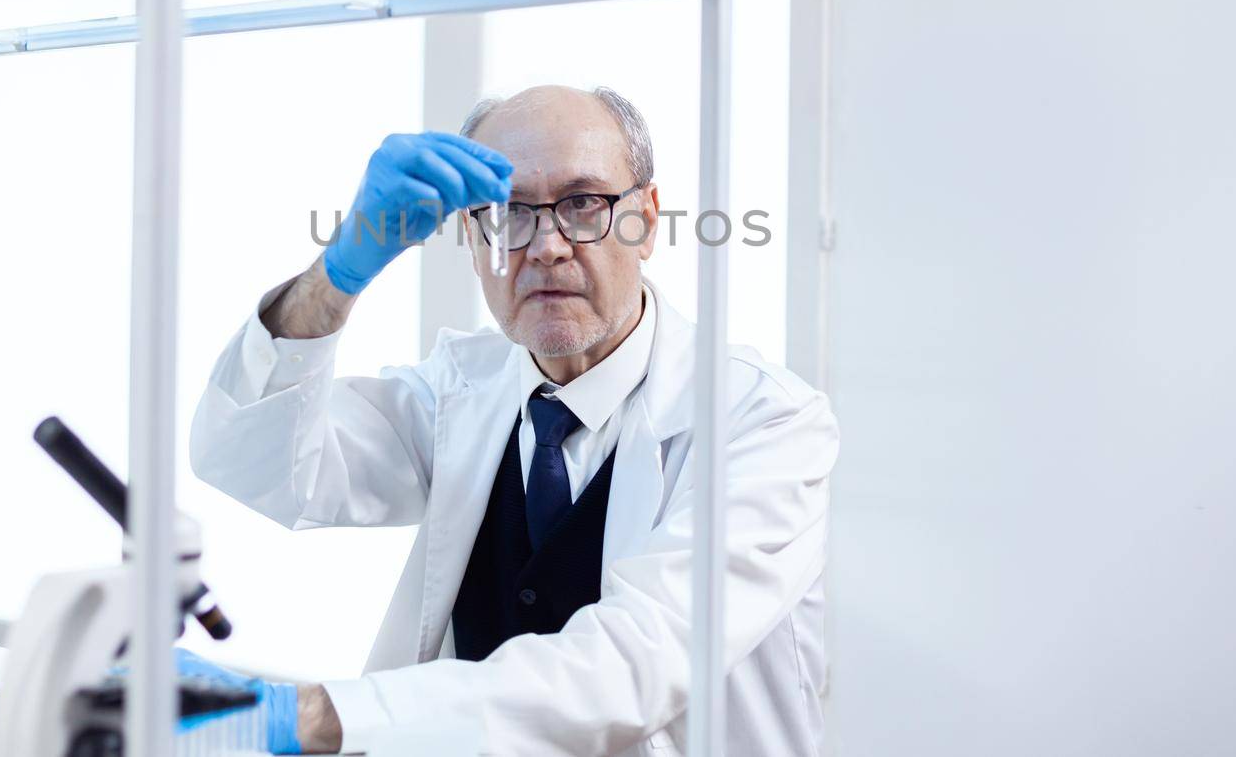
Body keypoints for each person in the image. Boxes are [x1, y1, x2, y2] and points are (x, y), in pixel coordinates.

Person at [189, 84, 839, 755]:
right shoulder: (460, 390)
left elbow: (632, 665)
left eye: (583, 202)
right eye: (506, 213)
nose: (547, 246)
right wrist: (339, 271)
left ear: (646, 219)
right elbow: (256, 458)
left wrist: (315, 714)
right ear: (471, 239)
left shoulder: (767, 422)